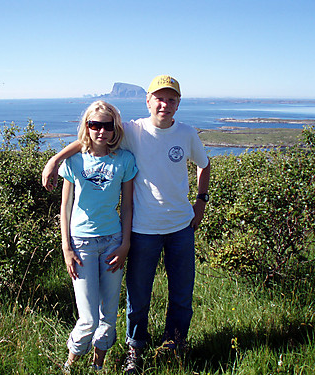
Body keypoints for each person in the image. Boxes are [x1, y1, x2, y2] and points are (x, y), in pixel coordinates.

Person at [43, 75, 211, 374]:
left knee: (182, 294)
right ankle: (136, 349)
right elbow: (88, 139)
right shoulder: (134, 129)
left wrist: (201, 201)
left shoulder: (186, 134)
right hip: (143, 230)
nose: (165, 104)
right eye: (159, 98)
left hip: (180, 228)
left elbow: (204, 163)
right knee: (138, 295)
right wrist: (54, 160)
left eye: (171, 99)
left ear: (178, 103)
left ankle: (174, 346)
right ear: (148, 101)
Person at [58, 100, 138, 372]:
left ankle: (97, 367)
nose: (101, 131)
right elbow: (65, 207)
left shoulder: (124, 160)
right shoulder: (74, 160)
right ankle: (71, 363)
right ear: (87, 127)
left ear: (115, 128)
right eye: (95, 125)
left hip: (113, 242)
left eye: (107, 126)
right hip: (81, 245)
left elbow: (127, 206)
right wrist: (66, 248)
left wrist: (126, 244)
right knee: (88, 318)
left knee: (109, 316)